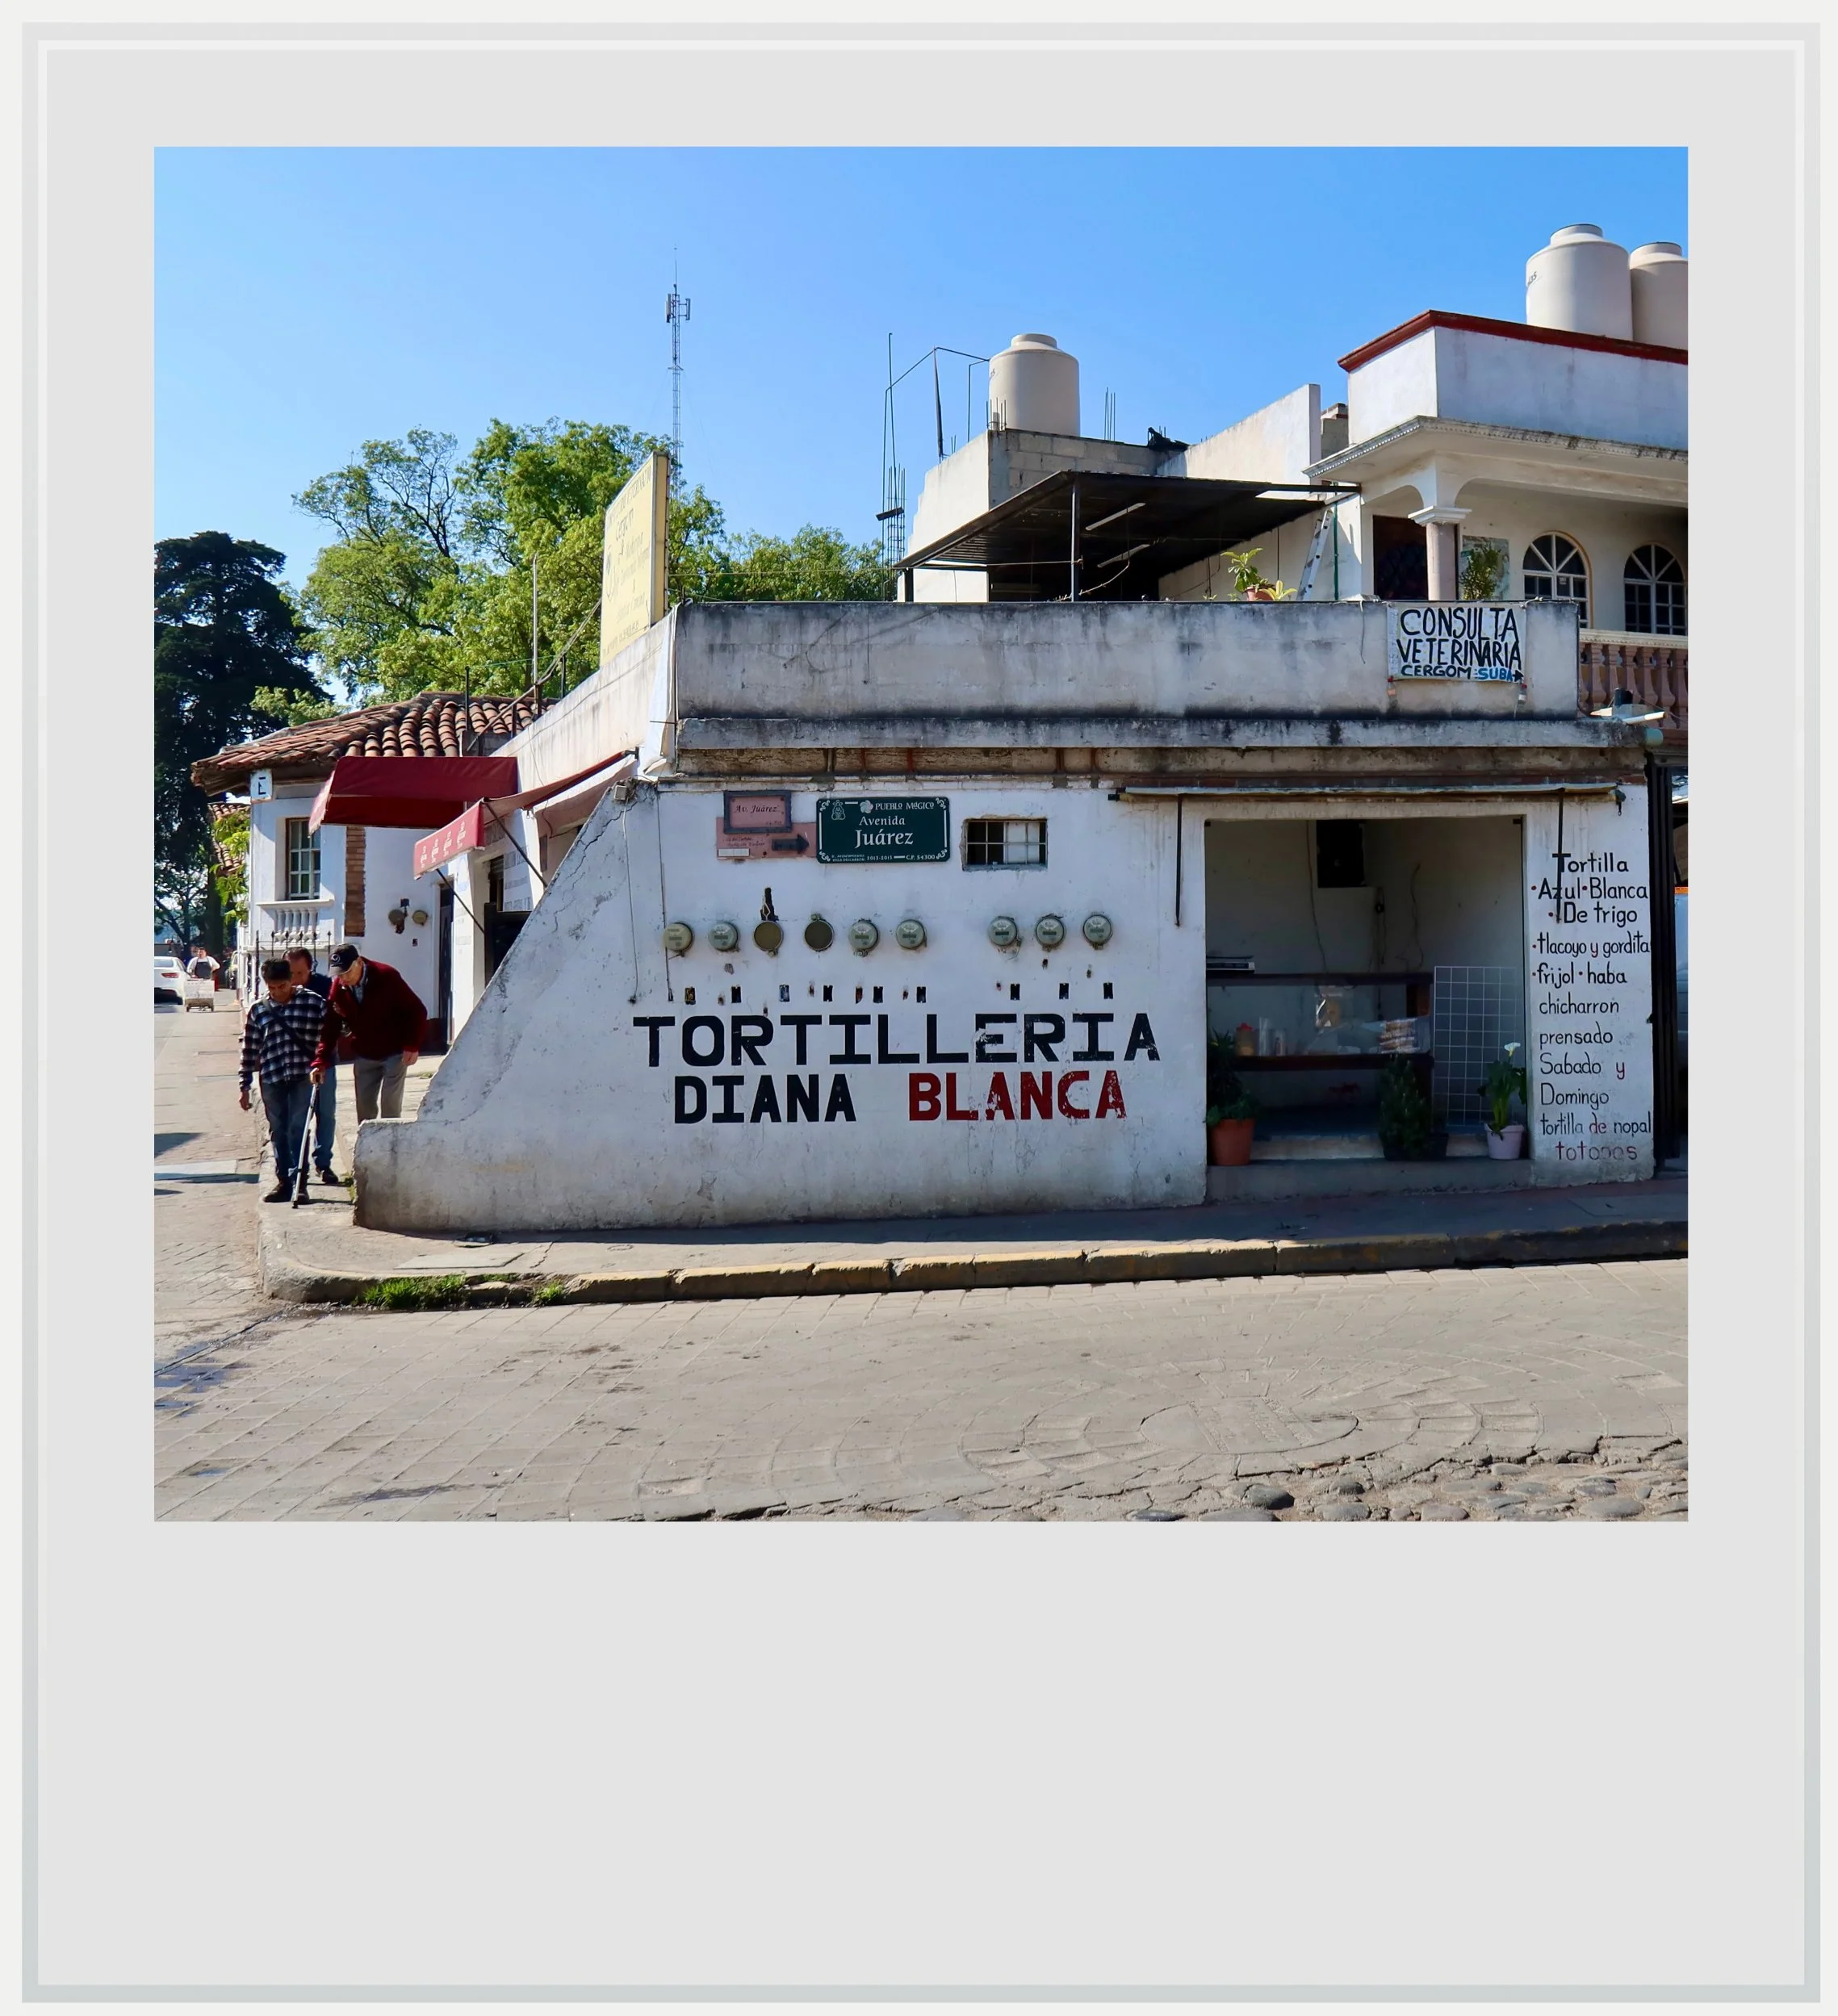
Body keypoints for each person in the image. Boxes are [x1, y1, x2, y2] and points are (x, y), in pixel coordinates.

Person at [238, 956, 331, 1203]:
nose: (278, 993)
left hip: (304, 1076)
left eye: (282, 987)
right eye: (272, 988)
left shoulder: (313, 1002)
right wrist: (244, 1084)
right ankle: (284, 1182)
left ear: (292, 981)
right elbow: (250, 1048)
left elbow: (332, 1033)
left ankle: (301, 1181)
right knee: (278, 1131)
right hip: (272, 1077)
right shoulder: (259, 1009)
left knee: (297, 1129)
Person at [310, 943, 425, 1123]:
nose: (344, 978)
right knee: (364, 1109)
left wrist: (412, 1045)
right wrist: (321, 1059)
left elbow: (417, 1010)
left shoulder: (387, 976)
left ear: (359, 962)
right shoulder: (338, 988)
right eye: (339, 974)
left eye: (347, 972)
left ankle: (390, 1147)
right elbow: (330, 1026)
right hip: (365, 1051)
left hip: (394, 1050)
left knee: (390, 1105)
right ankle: (366, 1148)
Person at [287, 947, 341, 1184]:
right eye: (291, 972)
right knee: (299, 1118)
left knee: (326, 1114)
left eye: (300, 972)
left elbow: (337, 1023)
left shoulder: (327, 988)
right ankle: (299, 1166)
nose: (295, 978)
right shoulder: (282, 989)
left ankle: (324, 1163)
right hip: (296, 1065)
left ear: (310, 968)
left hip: (325, 1061)